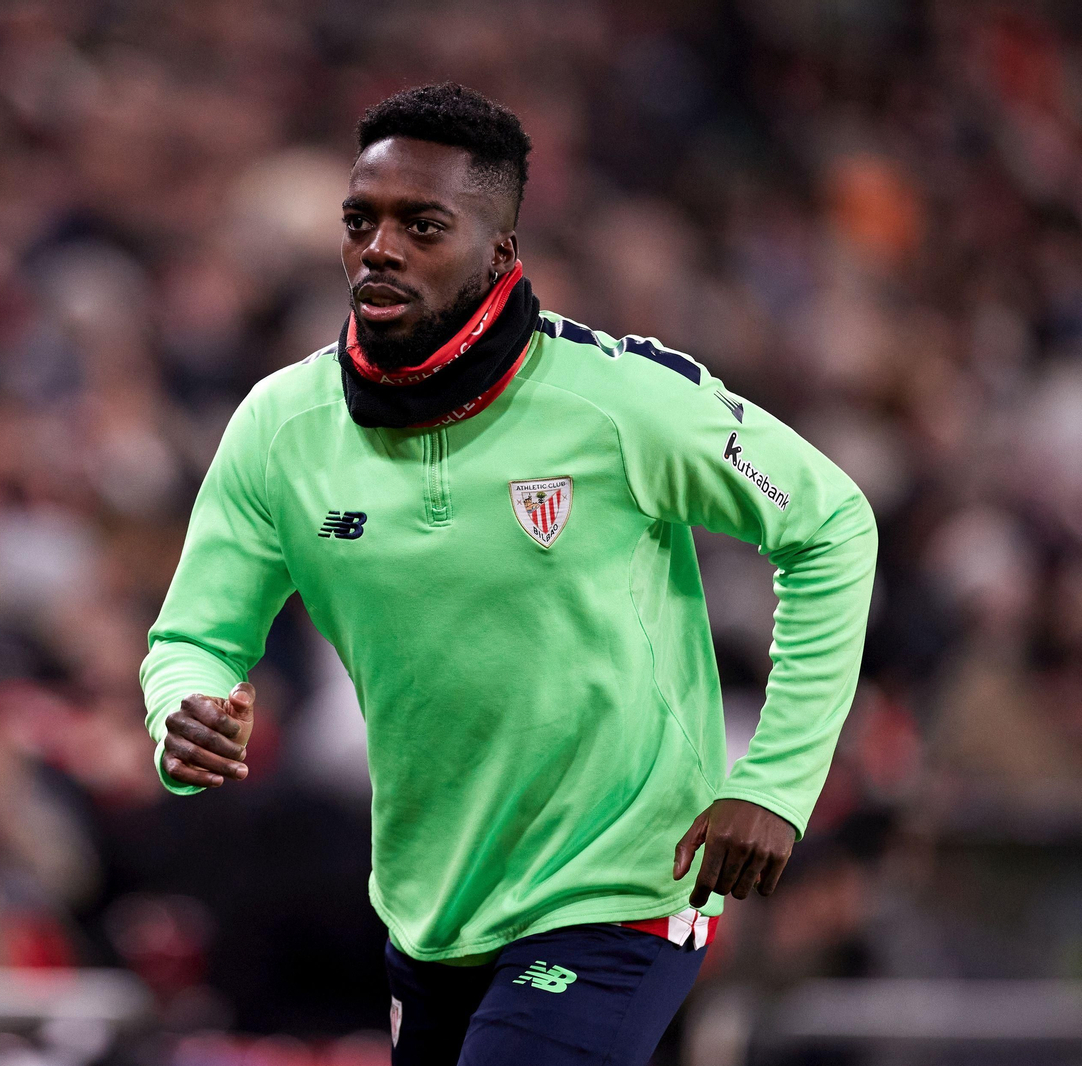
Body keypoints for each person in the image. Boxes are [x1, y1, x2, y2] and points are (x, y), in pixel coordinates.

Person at [139, 84, 878, 1065]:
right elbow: (195, 636)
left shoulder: (620, 402)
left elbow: (830, 524)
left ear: (499, 252)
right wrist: (185, 707)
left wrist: (777, 784)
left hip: (622, 884)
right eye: (360, 221)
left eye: (422, 226)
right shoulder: (281, 427)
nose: (380, 248)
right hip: (430, 905)